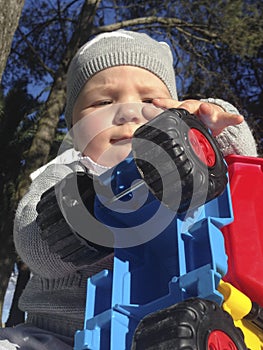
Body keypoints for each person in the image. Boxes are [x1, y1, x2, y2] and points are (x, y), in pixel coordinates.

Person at [0, 30, 257, 349]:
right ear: (74, 127)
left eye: (150, 101)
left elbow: (244, 184)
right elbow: (31, 240)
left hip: (179, 328)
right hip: (62, 333)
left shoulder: (185, 169)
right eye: (103, 102)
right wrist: (85, 217)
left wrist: (211, 128)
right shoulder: (70, 171)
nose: (129, 112)